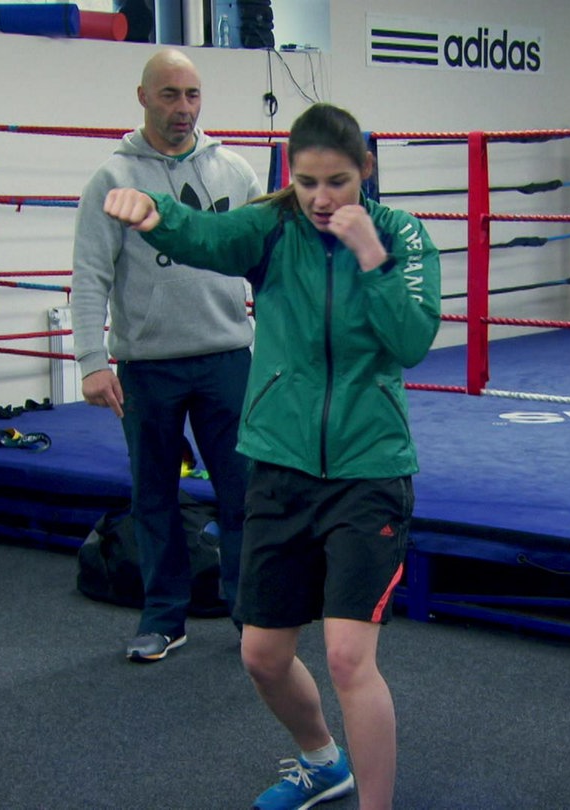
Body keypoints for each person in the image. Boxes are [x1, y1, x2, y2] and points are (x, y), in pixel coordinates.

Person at [102, 102, 441, 810]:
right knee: (262, 655)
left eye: (338, 182)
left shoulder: (402, 235)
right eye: (307, 182)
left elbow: (410, 340)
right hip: (281, 468)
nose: (321, 199)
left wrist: (371, 257)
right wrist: (155, 213)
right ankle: (322, 762)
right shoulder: (273, 228)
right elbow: (208, 235)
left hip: (368, 471)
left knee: (348, 658)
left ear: (366, 170)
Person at [72, 49, 261, 662]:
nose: (183, 108)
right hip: (149, 365)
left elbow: (266, 258)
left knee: (244, 493)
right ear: (143, 97)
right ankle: (163, 618)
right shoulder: (112, 179)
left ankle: (251, 619)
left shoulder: (234, 170)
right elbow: (90, 275)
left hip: (227, 357)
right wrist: (91, 360)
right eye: (170, 94)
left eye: (192, 94)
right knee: (153, 495)